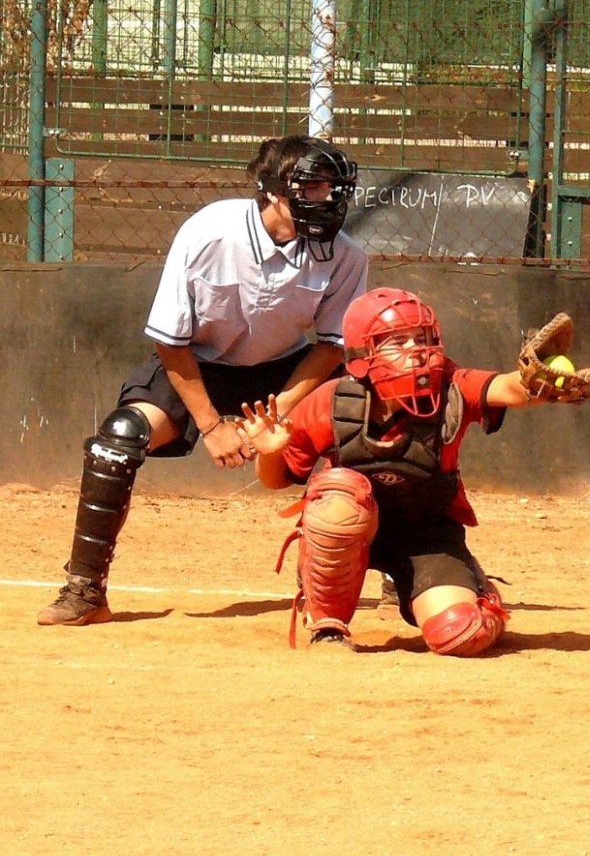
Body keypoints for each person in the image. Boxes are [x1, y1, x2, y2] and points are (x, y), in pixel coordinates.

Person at [38, 135, 368, 627]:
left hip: (285, 369)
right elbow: (171, 341)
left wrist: (276, 411)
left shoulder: (344, 256)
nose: (330, 200)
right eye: (315, 187)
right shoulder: (210, 233)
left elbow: (331, 346)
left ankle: (334, 589)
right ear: (274, 190)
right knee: (119, 438)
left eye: (336, 188)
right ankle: (85, 591)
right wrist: (213, 426)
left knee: (355, 427)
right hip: (197, 366)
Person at [237, 287, 590, 656]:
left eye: (423, 339)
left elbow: (505, 387)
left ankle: (478, 594)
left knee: (461, 635)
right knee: (338, 499)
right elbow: (275, 479)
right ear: (364, 355)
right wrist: (269, 453)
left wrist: (536, 383)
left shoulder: (451, 386)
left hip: (425, 532)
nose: (417, 351)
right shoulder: (332, 401)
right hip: (350, 530)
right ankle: (328, 625)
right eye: (398, 342)